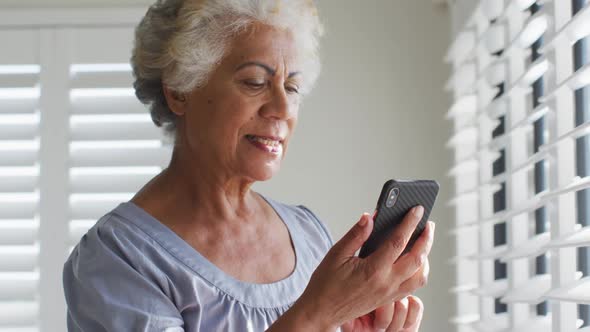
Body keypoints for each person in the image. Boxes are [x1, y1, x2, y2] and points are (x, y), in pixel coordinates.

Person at [62, 0, 435, 331]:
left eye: (292, 88)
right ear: (179, 89)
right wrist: (315, 315)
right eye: (255, 82)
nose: (283, 109)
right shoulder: (119, 259)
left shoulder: (308, 235)